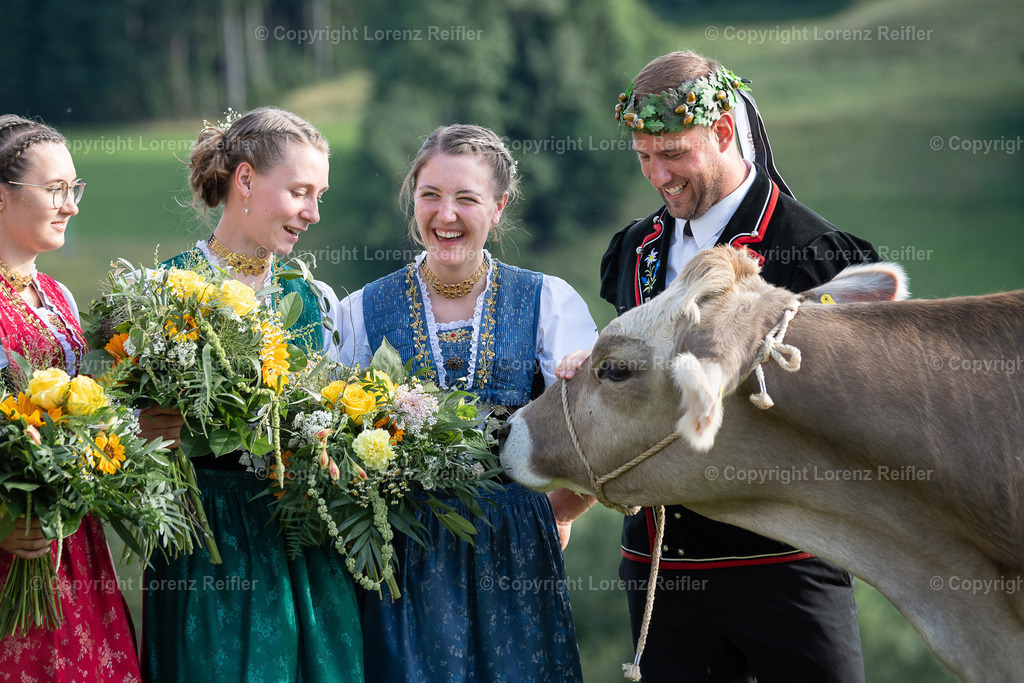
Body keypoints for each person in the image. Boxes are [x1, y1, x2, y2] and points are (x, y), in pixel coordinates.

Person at [559, 50, 879, 681]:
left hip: (787, 566)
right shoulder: (632, 250)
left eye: (672, 153)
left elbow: (853, 413)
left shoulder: (815, 254)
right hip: (659, 571)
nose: (657, 175)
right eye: (644, 157)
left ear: (725, 132)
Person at [338, 124, 596, 682]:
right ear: (413, 200)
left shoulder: (547, 301)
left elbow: (599, 428)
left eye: (467, 199)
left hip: (517, 555)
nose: (445, 214)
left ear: (499, 207)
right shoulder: (360, 309)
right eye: (430, 195)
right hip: (402, 560)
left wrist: (559, 513)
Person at [139, 107, 363, 682]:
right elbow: (126, 437)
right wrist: (147, 435)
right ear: (244, 181)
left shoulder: (315, 298)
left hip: (304, 539)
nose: (313, 213)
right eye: (299, 192)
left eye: (320, 195)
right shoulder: (160, 292)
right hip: (211, 543)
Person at [0, 115, 141, 680]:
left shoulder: (56, 293)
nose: (72, 205)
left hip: (69, 539)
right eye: (56, 190)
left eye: (74, 188)